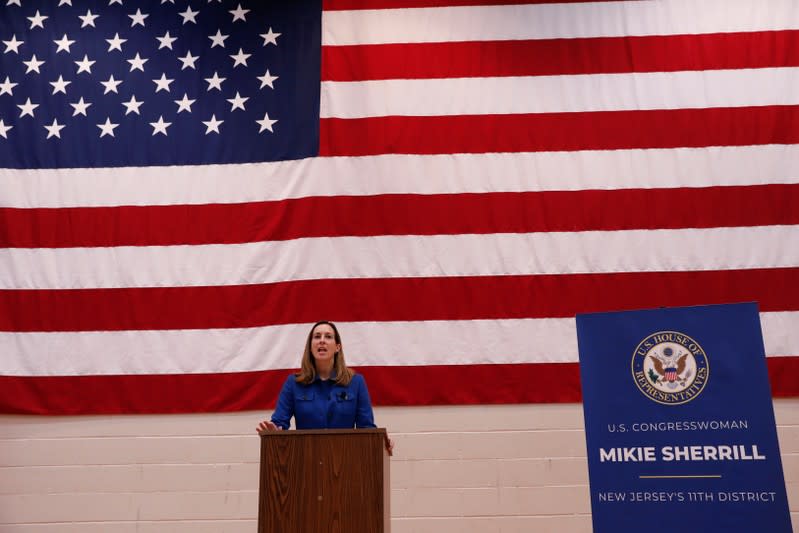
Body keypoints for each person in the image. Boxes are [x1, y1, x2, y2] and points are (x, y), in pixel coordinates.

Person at [257, 320, 393, 455]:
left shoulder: (356, 383)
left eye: (328, 337)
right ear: (310, 347)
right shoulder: (294, 383)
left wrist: (380, 442)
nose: (322, 341)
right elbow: (280, 423)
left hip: (346, 462)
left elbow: (366, 429)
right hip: (305, 461)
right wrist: (274, 430)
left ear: (337, 347)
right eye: (317, 337)